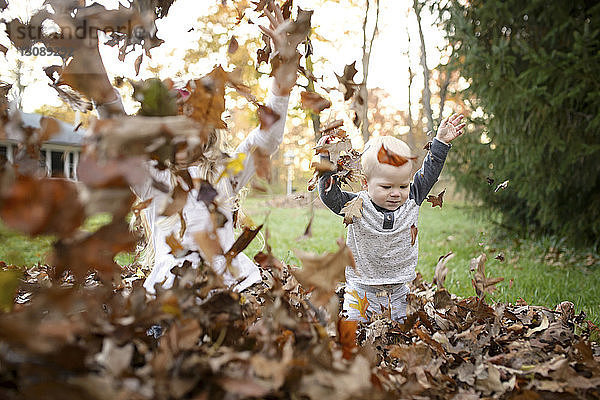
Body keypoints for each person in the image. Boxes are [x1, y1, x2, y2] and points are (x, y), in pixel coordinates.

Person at [91, 5, 300, 294]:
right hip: (172, 296)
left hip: (230, 292)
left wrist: (283, 69)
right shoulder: (152, 178)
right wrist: (90, 58)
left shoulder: (226, 173)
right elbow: (115, 126)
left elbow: (265, 140)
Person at [318, 115, 465, 322]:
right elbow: (329, 195)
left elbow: (430, 173)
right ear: (366, 184)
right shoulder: (356, 205)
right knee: (354, 335)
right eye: (387, 187)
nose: (396, 193)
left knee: (398, 335)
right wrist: (326, 160)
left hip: (398, 292)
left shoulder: (412, 198)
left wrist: (440, 143)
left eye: (402, 186)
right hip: (361, 290)